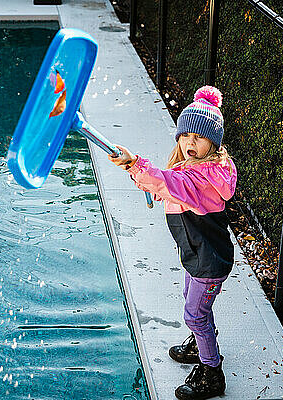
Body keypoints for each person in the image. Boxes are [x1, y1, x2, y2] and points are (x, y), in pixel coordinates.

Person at [108, 86, 237, 400]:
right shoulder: (198, 167)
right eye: (186, 135)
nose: (190, 142)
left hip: (208, 260)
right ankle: (202, 337)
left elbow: (170, 183)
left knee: (194, 312)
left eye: (199, 137)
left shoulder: (203, 178)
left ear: (214, 142)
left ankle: (211, 372)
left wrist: (135, 164)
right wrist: (143, 175)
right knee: (194, 304)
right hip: (198, 255)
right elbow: (167, 184)